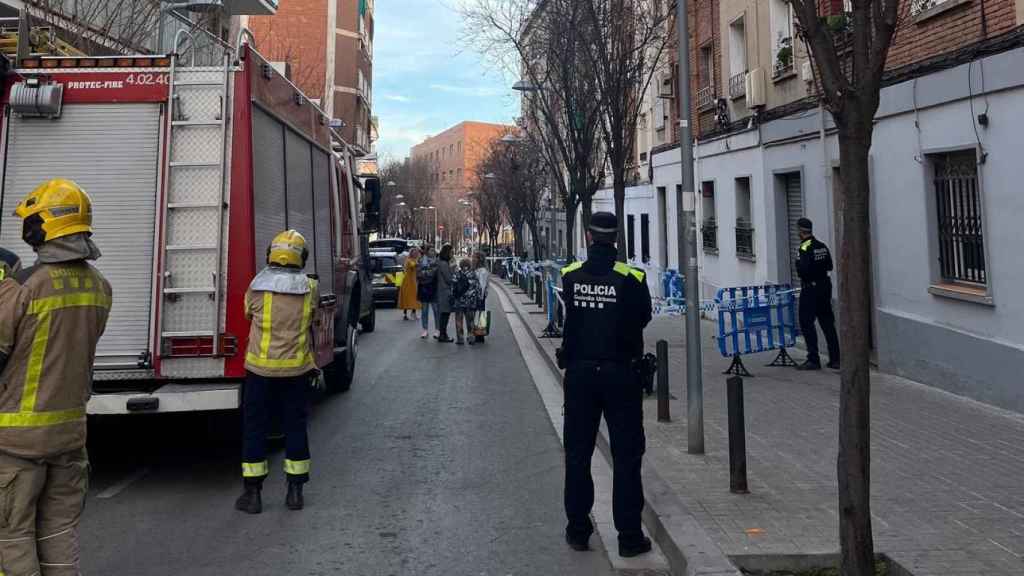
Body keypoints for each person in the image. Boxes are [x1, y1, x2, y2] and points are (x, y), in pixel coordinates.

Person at [0, 179, 112, 576]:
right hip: (69, 435)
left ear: (44, 226)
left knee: (11, 539)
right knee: (58, 535)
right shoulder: (100, 287)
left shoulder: (23, 286)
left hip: (15, 439)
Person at [558, 211, 653, 558]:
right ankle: (628, 537)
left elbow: (569, 317)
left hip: (581, 376)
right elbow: (644, 317)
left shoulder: (570, 276)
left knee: (578, 455)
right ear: (616, 238)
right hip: (621, 376)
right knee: (627, 457)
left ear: (588, 236)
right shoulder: (632, 278)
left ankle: (578, 531)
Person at [236, 229, 320, 514]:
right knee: (295, 427)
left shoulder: (257, 287)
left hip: (260, 371)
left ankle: (253, 493)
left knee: (255, 428)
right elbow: (315, 317)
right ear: (302, 258)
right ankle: (295, 492)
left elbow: (247, 312)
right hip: (296, 372)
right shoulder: (310, 289)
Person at [794, 217, 840, 371]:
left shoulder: (804, 247)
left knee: (806, 322)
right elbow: (830, 266)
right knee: (827, 322)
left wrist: (803, 269)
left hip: (811, 288)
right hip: (825, 287)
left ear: (800, 231)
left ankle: (813, 359)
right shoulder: (822, 246)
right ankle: (835, 359)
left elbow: (803, 271)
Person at [450, 258, 481, 346]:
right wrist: (478, 297)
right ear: (469, 265)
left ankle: (460, 338)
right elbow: (478, 287)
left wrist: (454, 296)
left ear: (461, 265)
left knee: (458, 320)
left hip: (459, 301)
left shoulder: (457, 274)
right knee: (470, 320)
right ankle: (471, 336)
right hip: (470, 301)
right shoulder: (473, 274)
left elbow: (453, 287)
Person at [417, 245, 438, 339]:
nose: (433, 252)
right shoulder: (421, 260)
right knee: (424, 310)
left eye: (434, 250)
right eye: (431, 250)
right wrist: (427, 273)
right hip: (424, 287)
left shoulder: (437, 261)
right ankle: (425, 329)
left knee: (436, 310)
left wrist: (426, 273)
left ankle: (437, 329)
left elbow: (434, 273)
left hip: (434, 287)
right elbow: (418, 273)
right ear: (427, 251)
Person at [434, 244, 454, 343]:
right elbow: (449, 279)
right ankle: (443, 335)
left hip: (441, 291)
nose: (452, 254)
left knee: (443, 314)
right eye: (451, 252)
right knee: (445, 313)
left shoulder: (440, 263)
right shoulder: (444, 264)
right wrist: (453, 269)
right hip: (444, 291)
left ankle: (443, 334)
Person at [398, 247, 421, 321]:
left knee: (414, 297)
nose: (415, 254)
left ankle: (413, 313)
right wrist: (418, 262)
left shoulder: (413, 260)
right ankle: (406, 314)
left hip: (412, 281)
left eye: (416, 253)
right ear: (411, 253)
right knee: (407, 297)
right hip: (407, 282)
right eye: (414, 252)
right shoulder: (409, 260)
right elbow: (413, 265)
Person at [472, 252, 490, 343]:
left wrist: (480, 296)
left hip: (479, 296)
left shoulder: (482, 271)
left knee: (479, 314)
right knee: (480, 314)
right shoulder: (479, 270)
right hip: (479, 296)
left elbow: (482, 286)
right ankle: (479, 334)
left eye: (474, 257)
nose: (472, 259)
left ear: (479, 259)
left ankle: (479, 334)